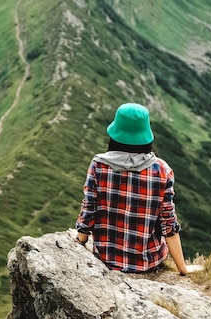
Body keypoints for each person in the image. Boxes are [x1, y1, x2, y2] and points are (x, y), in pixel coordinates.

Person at [74, 103, 200, 275]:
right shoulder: (162, 170)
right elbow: (168, 223)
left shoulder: (98, 165)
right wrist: (183, 269)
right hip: (148, 262)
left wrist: (80, 240)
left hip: (106, 258)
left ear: (114, 134)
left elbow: (89, 208)